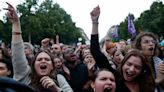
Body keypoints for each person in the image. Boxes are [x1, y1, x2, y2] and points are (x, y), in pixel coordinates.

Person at [5, 2, 73, 92]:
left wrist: (56, 90)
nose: (43, 61)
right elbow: (17, 53)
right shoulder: (25, 76)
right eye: (39, 60)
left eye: (47, 59)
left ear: (52, 66)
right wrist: (16, 23)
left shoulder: (59, 78)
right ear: (33, 65)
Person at [90, 6, 155, 92]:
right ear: (123, 63)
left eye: (137, 67)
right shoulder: (114, 77)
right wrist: (95, 22)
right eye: (129, 64)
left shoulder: (147, 84)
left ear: (142, 70)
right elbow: (95, 50)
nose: (131, 69)